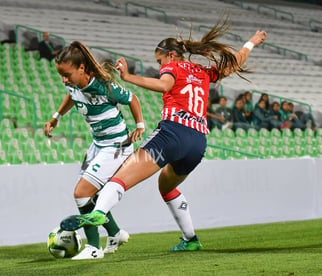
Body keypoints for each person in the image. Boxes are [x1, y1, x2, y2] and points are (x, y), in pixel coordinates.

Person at [60, 19, 266, 251]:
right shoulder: (202, 72)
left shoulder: (173, 67)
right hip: (198, 142)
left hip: (172, 134)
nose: (160, 66)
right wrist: (251, 42)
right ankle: (190, 239)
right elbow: (234, 64)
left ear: (170, 55)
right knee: (166, 186)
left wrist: (129, 77)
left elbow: (165, 85)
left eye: (159, 61)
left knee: (121, 177)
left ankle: (98, 213)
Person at [44, 41, 145, 260]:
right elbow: (72, 95)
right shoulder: (72, 84)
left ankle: (93, 248)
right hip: (97, 144)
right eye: (61, 75)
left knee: (82, 193)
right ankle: (115, 233)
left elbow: (132, 99)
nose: (64, 80)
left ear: (82, 69)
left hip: (116, 146)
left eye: (67, 74)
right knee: (90, 197)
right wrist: (56, 117)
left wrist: (140, 125)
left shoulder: (103, 85)